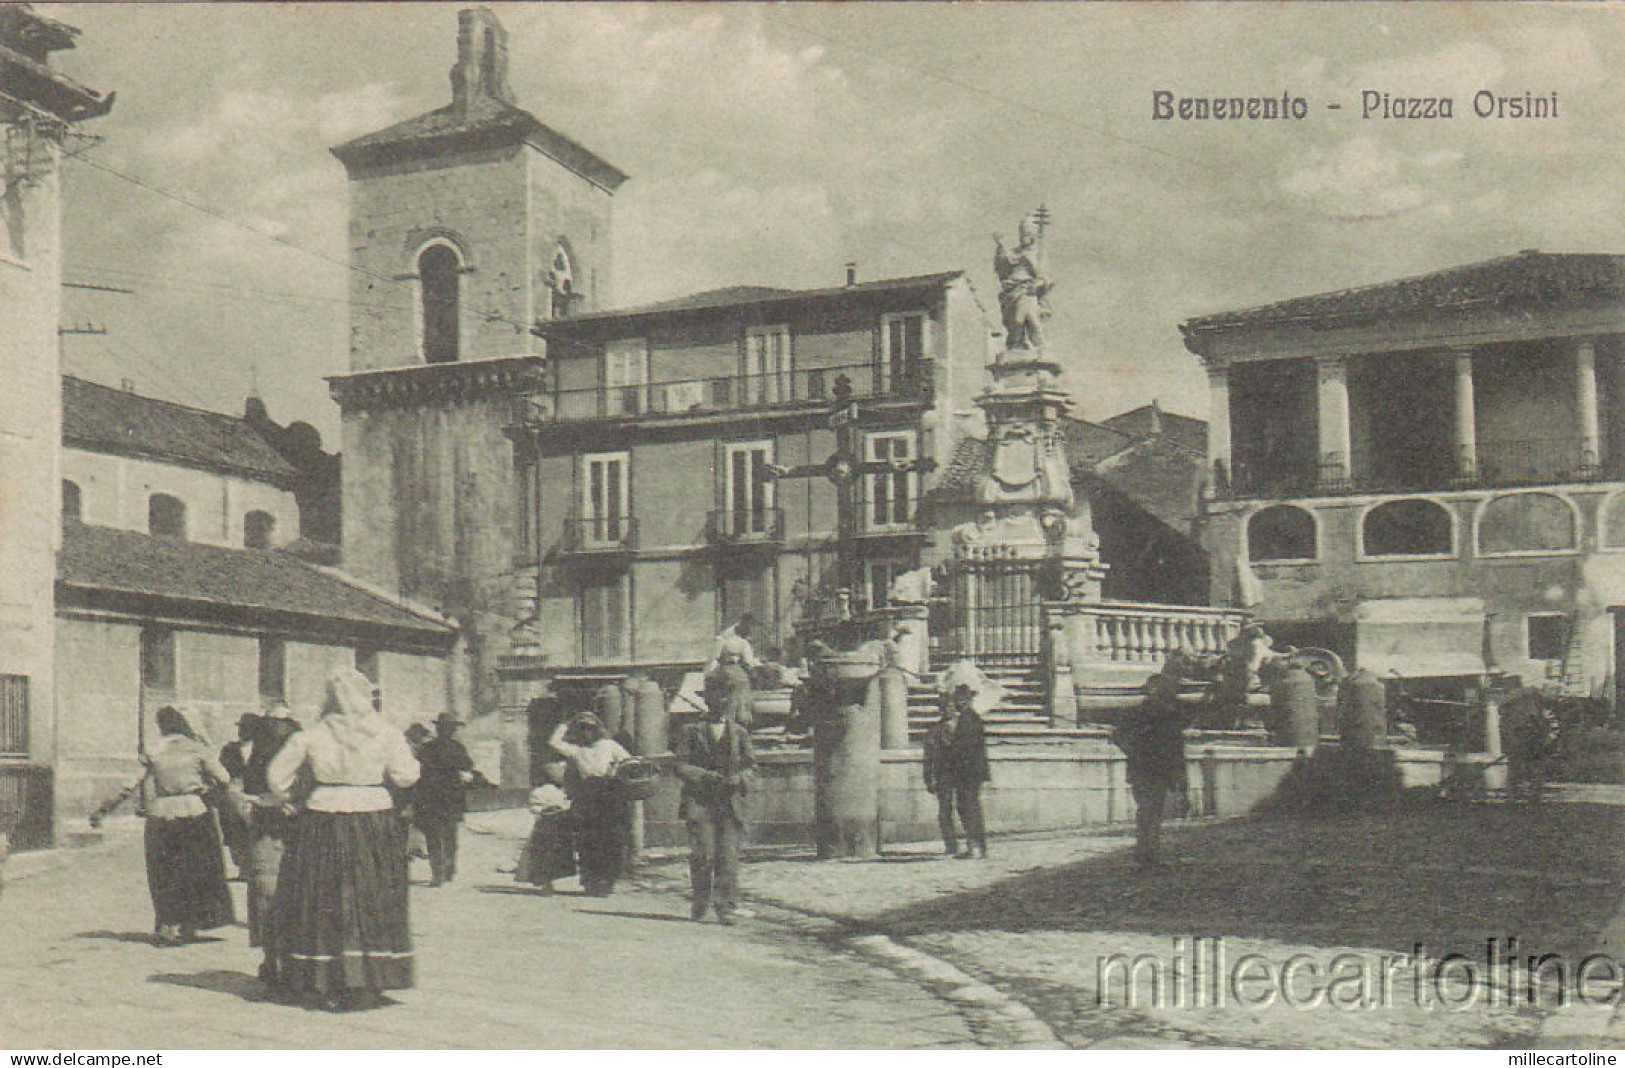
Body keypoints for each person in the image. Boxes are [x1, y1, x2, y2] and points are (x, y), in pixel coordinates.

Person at [266, 668, 420, 1010]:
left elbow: (277, 777)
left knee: (324, 895)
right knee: (372, 895)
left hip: (324, 817)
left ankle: (326, 979)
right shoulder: (387, 733)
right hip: (373, 819)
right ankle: (370, 978)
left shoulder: (311, 734)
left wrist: (297, 796)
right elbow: (406, 776)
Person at [90, 706, 235, 946]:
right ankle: (191, 924)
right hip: (194, 812)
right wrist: (207, 789)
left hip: (161, 815)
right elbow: (224, 778)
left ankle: (167, 925)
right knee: (196, 870)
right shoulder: (197, 749)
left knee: (164, 871)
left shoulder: (154, 750)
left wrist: (104, 808)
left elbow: (129, 784)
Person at [673, 674, 756, 924]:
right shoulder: (690, 731)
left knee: (728, 857)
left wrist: (739, 779)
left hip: (730, 804)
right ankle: (700, 902)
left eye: (725, 697)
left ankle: (726, 907)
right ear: (706, 700)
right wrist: (703, 776)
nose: (721, 702)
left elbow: (752, 767)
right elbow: (680, 765)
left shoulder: (740, 733)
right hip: (700, 802)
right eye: (716, 697)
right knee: (703, 855)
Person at [240, 709, 300, 986]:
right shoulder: (258, 752)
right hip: (267, 829)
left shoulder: (302, 750)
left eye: (284, 722)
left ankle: (288, 960)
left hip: (295, 831)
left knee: (292, 897)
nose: (280, 727)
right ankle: (272, 957)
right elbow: (248, 787)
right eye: (275, 722)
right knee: (267, 893)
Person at [1112, 672, 1192, 870]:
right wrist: (1135, 752)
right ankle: (1146, 853)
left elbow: (1177, 748)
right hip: (1144, 769)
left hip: (1158, 769)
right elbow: (1119, 736)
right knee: (1148, 810)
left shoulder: (1170, 717)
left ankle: (1148, 852)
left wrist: (1180, 779)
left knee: (1152, 811)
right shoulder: (1138, 715)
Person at [549, 713, 632, 896]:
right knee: (587, 839)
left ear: (598, 730)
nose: (587, 733)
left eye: (590, 728)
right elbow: (555, 743)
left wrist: (616, 771)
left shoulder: (609, 746)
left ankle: (607, 880)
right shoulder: (577, 750)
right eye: (582, 729)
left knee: (609, 839)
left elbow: (630, 762)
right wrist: (566, 722)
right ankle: (590, 880)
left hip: (609, 795)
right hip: (586, 796)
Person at [923, 683, 990, 859]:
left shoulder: (968, 720)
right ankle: (974, 846)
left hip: (967, 774)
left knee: (969, 809)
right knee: (967, 808)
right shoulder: (970, 718)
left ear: (963, 700)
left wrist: (950, 755)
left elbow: (963, 750)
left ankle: (975, 847)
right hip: (968, 773)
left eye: (957, 701)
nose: (955, 705)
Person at [413, 713, 476, 887]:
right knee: (450, 834)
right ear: (452, 730)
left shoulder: (426, 748)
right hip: (451, 797)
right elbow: (468, 766)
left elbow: (418, 770)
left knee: (433, 836)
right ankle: (448, 869)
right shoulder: (458, 748)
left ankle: (437, 873)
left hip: (431, 797)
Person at [218, 713, 262, 877]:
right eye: (240, 728)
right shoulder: (230, 749)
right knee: (235, 830)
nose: (241, 731)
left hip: (254, 792)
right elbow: (222, 770)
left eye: (245, 728)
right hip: (235, 792)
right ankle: (243, 867)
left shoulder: (262, 749)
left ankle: (254, 865)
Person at [514, 781, 575, 893]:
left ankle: (548, 881)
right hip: (546, 826)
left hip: (557, 825)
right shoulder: (542, 791)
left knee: (552, 853)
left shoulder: (560, 791)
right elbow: (536, 808)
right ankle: (545, 882)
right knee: (545, 854)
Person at [704, 614, 760, 726]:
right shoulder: (732, 640)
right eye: (749, 628)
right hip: (732, 673)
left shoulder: (736, 639)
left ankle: (732, 719)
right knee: (738, 696)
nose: (750, 632)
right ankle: (736, 721)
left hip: (728, 672)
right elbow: (748, 662)